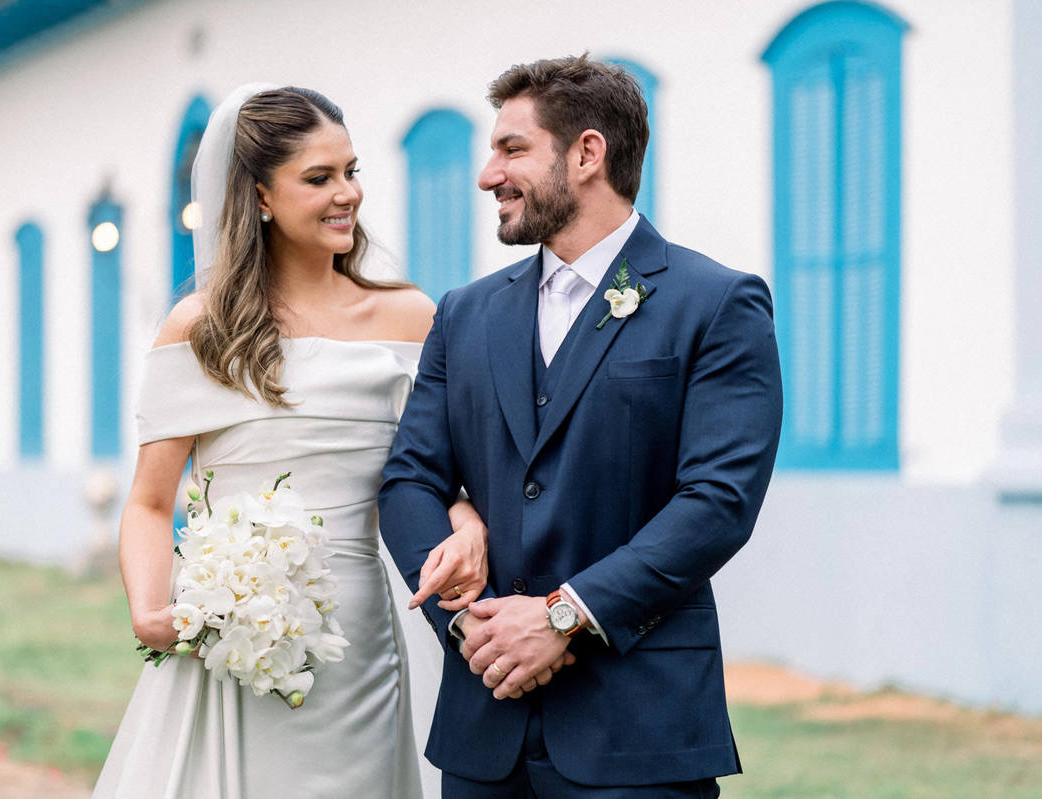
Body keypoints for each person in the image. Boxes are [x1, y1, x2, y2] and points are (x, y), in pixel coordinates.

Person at [379, 54, 783, 798]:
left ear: (587, 153)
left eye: (512, 149)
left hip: (638, 730)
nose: (488, 175)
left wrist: (564, 616)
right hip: (485, 727)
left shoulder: (716, 303)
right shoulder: (464, 313)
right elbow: (410, 477)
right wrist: (469, 627)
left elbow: (718, 502)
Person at [92, 84, 486, 799]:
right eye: (319, 177)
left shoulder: (410, 317)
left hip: (363, 642)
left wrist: (466, 519)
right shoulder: (201, 328)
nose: (347, 194)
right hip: (231, 636)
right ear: (261, 196)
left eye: (351, 171)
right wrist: (149, 610)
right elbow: (149, 502)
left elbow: (438, 476)